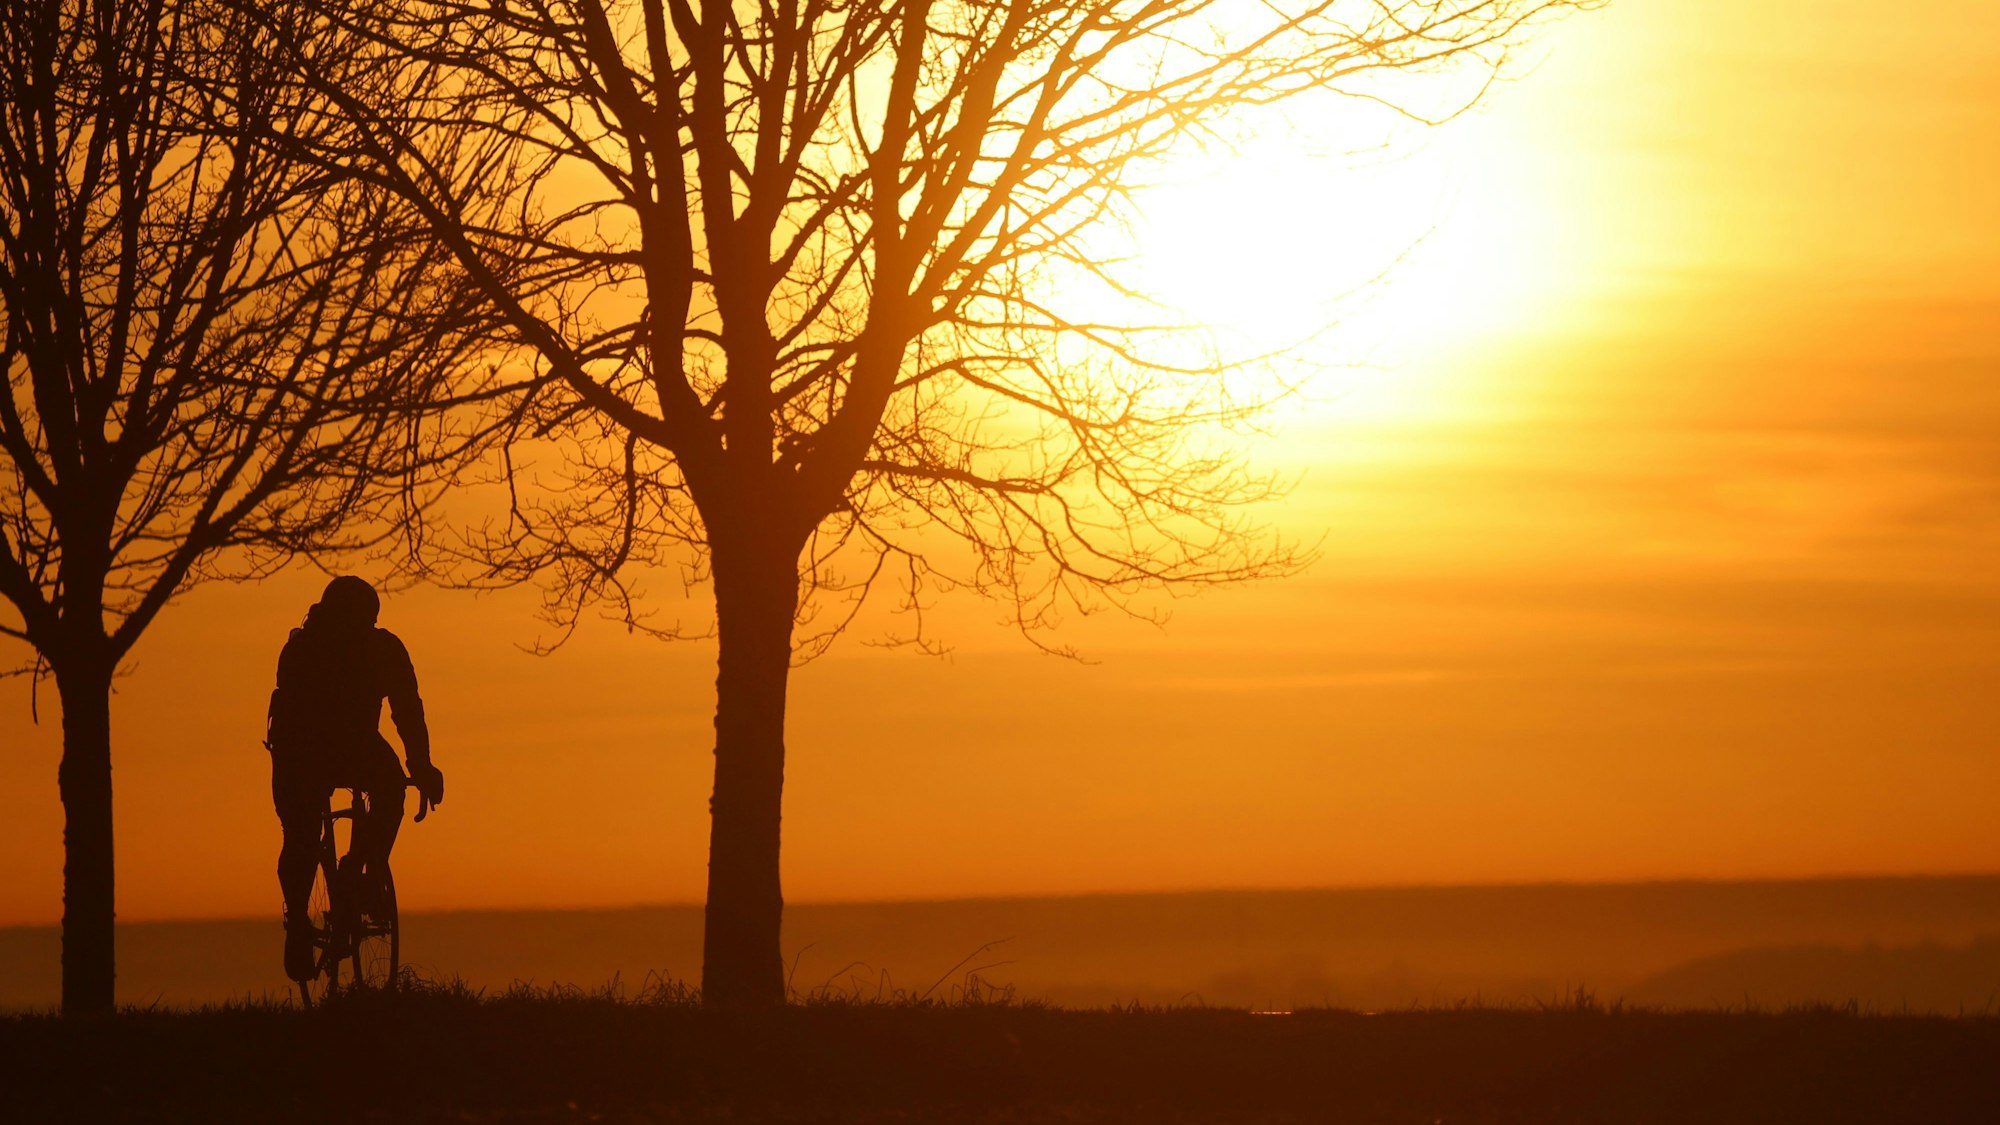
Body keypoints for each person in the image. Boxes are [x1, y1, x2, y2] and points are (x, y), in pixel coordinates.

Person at [266, 576, 446, 982]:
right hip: (316, 749)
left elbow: (406, 709)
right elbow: (407, 711)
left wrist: (420, 765)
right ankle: (340, 886)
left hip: (313, 751)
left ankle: (335, 889)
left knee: (303, 834)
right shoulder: (370, 648)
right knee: (310, 831)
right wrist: (420, 766)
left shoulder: (305, 645)